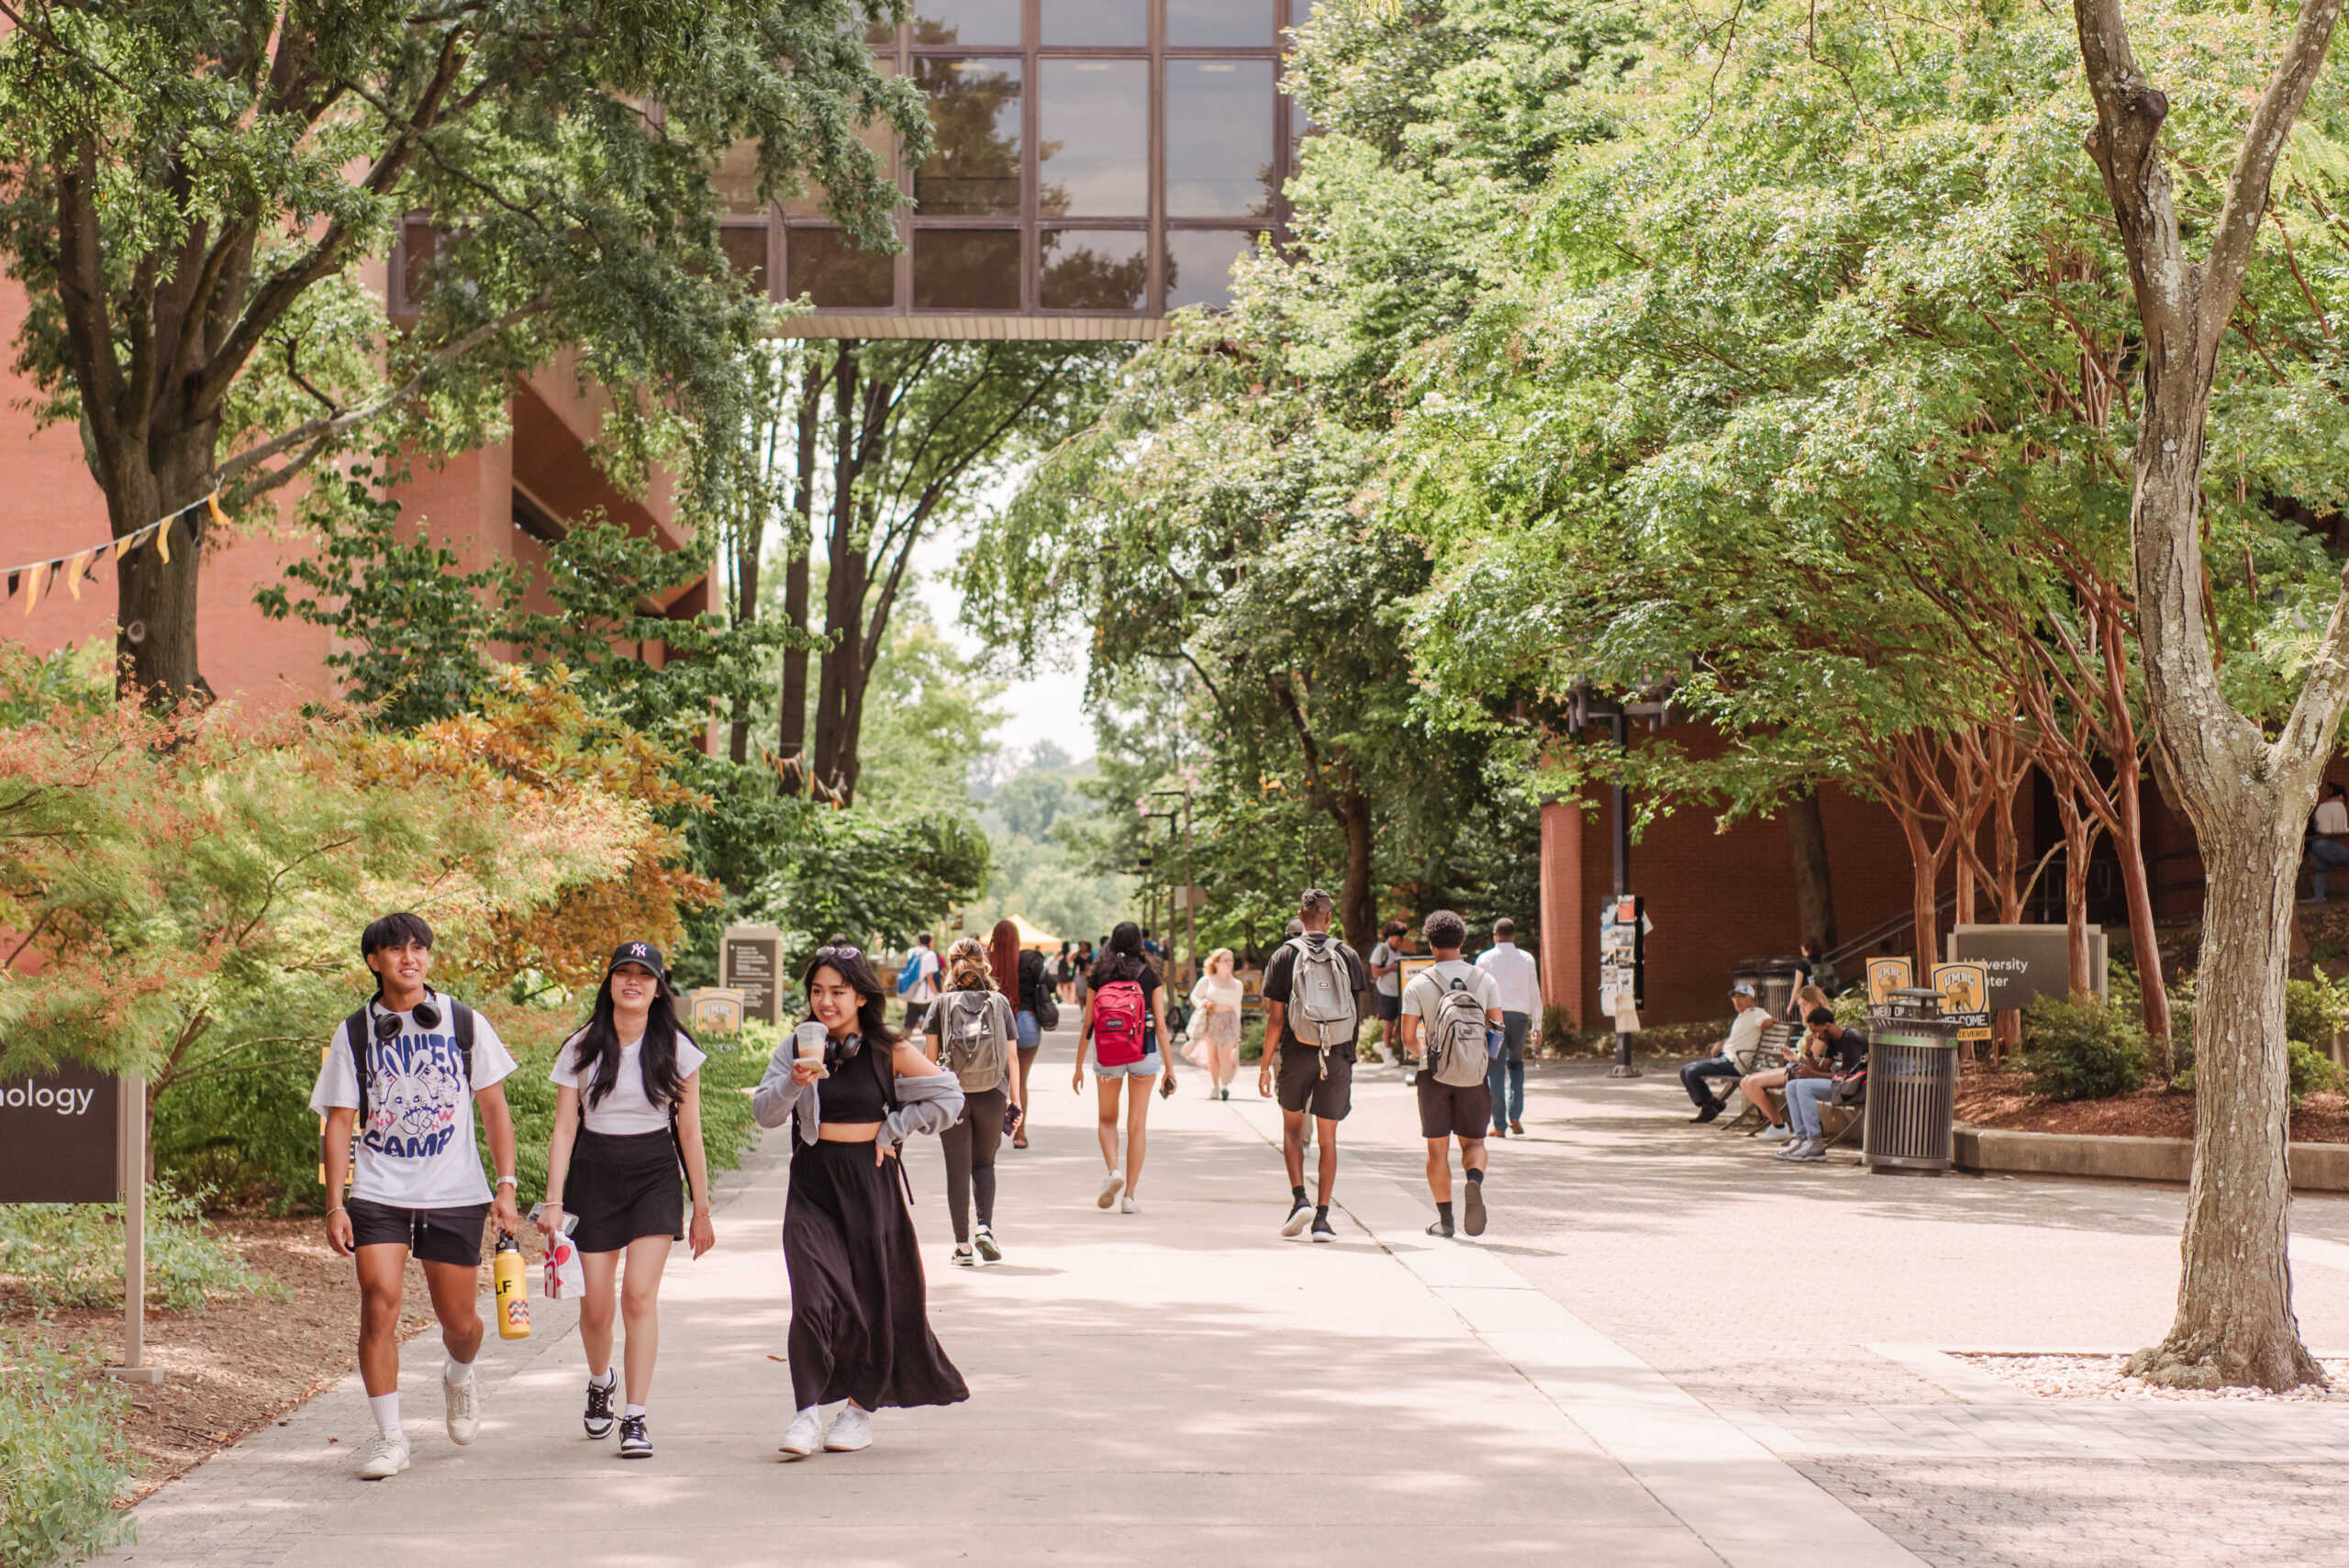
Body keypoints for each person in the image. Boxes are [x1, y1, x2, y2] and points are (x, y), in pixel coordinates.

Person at [310, 912, 522, 1482]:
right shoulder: (354, 1032)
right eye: (397, 950)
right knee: (379, 1300)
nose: (411, 958)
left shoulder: (463, 1022)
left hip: (455, 1191)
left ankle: (459, 1375)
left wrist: (506, 1186)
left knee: (460, 1322)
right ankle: (389, 1436)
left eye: (419, 948)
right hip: (378, 1191)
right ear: (374, 961)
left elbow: (494, 1108)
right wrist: (336, 1202)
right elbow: (338, 1123)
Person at [753, 943, 968, 1456]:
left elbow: (951, 1097)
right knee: (812, 1298)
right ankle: (806, 1413)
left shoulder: (885, 1049)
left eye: (838, 992)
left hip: (870, 1186)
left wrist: (895, 1127)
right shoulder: (796, 1047)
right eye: (817, 991)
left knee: (875, 1302)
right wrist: (792, 1082)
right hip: (812, 1183)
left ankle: (858, 1410)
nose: (826, 1002)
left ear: (860, 997)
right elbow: (764, 1113)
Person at [537, 941, 715, 1459]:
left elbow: (690, 1130)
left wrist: (700, 1211)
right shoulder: (582, 1046)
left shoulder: (678, 1048)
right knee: (595, 1307)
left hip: (654, 1174)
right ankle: (600, 1381)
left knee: (637, 1295)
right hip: (593, 1173)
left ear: (659, 987)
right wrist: (553, 1200)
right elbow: (565, 1127)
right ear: (610, 982)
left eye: (644, 975)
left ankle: (634, 1417)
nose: (632, 982)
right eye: (623, 973)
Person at [1257, 889, 1369, 1242]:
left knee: (1293, 1129)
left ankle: (1299, 1199)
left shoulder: (1284, 955)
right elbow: (1354, 1013)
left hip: (1297, 1051)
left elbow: (1275, 1020)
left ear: (1301, 915)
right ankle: (1322, 1218)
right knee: (1328, 1137)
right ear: (1329, 917)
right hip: (1336, 1053)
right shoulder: (1347, 954)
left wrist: (1263, 1066)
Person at [1398, 910, 1505, 1239]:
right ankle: (1473, 1179)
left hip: (1434, 1077)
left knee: (1437, 1149)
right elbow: (1497, 1028)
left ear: (1431, 944)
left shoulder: (1418, 983)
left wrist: (1428, 1057)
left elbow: (1407, 1039)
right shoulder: (1484, 980)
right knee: (1474, 1141)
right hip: (1474, 1075)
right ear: (1462, 942)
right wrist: (1480, 1062)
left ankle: (1445, 1221)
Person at [925, 937, 1022, 1265]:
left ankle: (962, 1247)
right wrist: (1017, 1101)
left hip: (952, 1096)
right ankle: (985, 1228)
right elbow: (1012, 1056)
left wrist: (926, 1101)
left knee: (957, 1169)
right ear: (984, 961)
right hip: (993, 1093)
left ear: (949, 964)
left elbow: (928, 1061)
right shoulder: (999, 1001)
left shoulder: (940, 1004)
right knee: (984, 1164)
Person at [1073, 922, 1175, 1212]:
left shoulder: (1099, 975)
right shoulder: (1150, 975)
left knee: (1107, 1119)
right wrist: (1169, 1067)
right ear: (1139, 944)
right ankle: (1129, 1197)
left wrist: (1078, 1066)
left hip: (1108, 1055)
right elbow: (1162, 1024)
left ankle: (1113, 1171)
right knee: (1137, 1127)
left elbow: (1088, 1026)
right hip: (1144, 1053)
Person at [1777, 1006, 1868, 1163]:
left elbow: (1850, 1076)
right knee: (1792, 1086)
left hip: (1855, 1088)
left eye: (1815, 1030)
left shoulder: (1850, 1038)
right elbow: (1822, 1070)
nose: (1815, 1036)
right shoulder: (1833, 1040)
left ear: (1827, 1025)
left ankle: (1815, 1142)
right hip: (1841, 1086)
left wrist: (1812, 1075)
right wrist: (1809, 1053)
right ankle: (1802, 1138)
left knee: (1803, 1087)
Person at [1475, 917, 1541, 1135]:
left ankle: (1499, 1125)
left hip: (1495, 1021)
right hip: (1521, 1019)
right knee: (1517, 1065)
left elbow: (1477, 993)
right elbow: (1534, 992)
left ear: (1495, 935)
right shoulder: (1527, 958)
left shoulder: (1484, 959)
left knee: (1495, 1070)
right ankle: (1515, 1115)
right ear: (1513, 935)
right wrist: (1537, 1025)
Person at [1742, 984, 1828, 1142]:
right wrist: (1792, 1056)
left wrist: (1795, 1057)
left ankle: (1779, 1126)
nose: (1802, 1009)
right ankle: (1777, 1125)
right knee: (1745, 1082)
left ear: (1818, 1002)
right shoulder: (1810, 1025)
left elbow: (1811, 1060)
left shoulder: (1822, 1026)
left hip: (1804, 1071)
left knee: (1752, 1083)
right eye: (1800, 1005)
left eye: (1805, 1004)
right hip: (1796, 1066)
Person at [1678, 983, 1771, 1125]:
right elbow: (1735, 1038)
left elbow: (1766, 1022)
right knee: (1684, 1070)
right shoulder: (1742, 1016)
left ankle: (1712, 1104)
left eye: (1742, 996)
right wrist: (1721, 1043)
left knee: (1691, 1071)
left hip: (1734, 1063)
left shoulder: (1756, 1013)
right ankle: (1712, 1104)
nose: (1737, 1000)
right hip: (1726, 1058)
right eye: (1735, 997)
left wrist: (1771, 1022)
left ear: (1752, 999)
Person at [1185, 948, 1245, 1099]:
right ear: (1216, 963)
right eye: (1226, 960)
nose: (1230, 963)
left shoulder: (1238, 984)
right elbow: (1194, 996)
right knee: (1213, 1055)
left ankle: (1224, 1086)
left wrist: (1238, 1026)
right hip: (1211, 1020)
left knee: (1225, 1054)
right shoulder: (1207, 980)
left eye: (1231, 960)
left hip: (1230, 1021)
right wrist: (1202, 1003)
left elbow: (1238, 1006)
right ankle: (1215, 1086)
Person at [1010, 927, 1048, 1151]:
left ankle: (993, 1136)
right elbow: (1050, 984)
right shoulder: (1031, 959)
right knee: (1021, 1081)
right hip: (1027, 1019)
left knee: (998, 1083)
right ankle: (1020, 1135)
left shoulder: (992, 960)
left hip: (999, 1021)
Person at [1367, 919, 1410, 1068]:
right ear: (1390, 937)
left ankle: (1383, 1044)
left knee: (1401, 1023)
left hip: (1398, 992)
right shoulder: (1381, 950)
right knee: (1389, 1023)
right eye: (1398, 940)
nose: (1400, 943)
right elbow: (1375, 972)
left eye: (1402, 940)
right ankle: (1388, 1054)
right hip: (1385, 992)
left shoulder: (1398, 952)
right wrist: (1392, 968)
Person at [898, 931, 942, 1034]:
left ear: (919, 941)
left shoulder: (911, 952)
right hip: (926, 998)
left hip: (912, 994)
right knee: (931, 1029)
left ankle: (901, 1048)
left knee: (908, 1028)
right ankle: (928, 1050)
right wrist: (938, 995)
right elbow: (930, 979)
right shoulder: (931, 955)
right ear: (930, 942)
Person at [2311, 783, 2349, 901]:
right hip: (2329, 844)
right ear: (2342, 796)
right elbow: (2338, 830)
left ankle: (2319, 900)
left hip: (2316, 843)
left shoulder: (2322, 806)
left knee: (2321, 873)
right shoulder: (2339, 806)